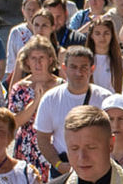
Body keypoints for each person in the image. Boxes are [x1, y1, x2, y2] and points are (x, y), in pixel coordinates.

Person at [34, 45, 104, 176]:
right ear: (64, 68)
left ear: (92, 69)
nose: (79, 72)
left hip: (97, 169)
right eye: (73, 67)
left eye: (84, 67)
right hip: (63, 169)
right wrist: (58, 164)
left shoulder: (105, 99)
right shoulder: (50, 99)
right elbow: (42, 138)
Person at [6, 36, 61, 180]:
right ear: (27, 61)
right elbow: (15, 121)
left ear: (50, 59)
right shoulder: (19, 88)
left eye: (41, 57)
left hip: (54, 147)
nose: (38, 63)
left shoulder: (62, 86)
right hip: (27, 148)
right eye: (33, 58)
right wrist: (36, 101)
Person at [85, 17, 123, 94]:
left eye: (106, 33)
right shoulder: (84, 61)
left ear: (112, 35)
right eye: (97, 33)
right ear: (91, 36)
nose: (102, 37)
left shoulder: (121, 61)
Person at [5, 0, 42, 75]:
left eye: (34, 10)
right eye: (28, 9)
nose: (31, 13)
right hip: (21, 75)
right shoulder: (16, 31)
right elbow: (11, 59)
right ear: (23, 11)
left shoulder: (44, 29)